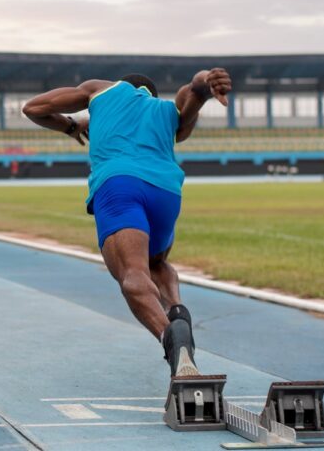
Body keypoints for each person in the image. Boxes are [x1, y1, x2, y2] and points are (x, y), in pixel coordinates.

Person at [22, 68, 232, 377]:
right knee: (155, 263)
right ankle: (175, 308)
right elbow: (192, 94)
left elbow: (34, 108)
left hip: (119, 185)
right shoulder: (166, 111)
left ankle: (171, 342)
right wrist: (205, 81)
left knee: (132, 275)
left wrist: (71, 127)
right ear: (151, 94)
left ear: (122, 85)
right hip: (166, 192)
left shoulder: (100, 89)